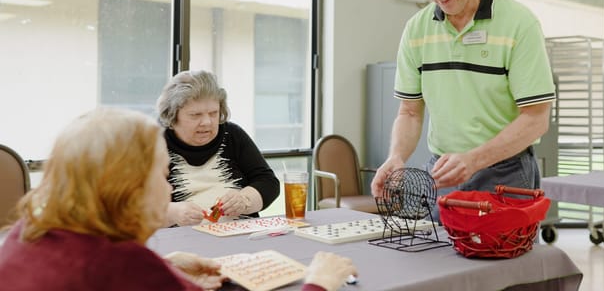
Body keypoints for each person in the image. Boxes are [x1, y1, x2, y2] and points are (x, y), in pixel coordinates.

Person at [0, 107, 356, 291]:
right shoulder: (125, 264)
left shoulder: (25, 234)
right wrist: (319, 283)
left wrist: (165, 266)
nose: (169, 187)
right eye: (161, 175)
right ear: (126, 187)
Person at [370, 0, 556, 222]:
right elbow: (409, 113)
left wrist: (474, 160)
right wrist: (396, 156)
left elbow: (536, 119)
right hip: (444, 174)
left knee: (504, 269)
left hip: (506, 175)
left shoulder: (520, 24)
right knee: (442, 264)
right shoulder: (416, 30)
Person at [157, 70, 280, 226]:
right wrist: (172, 213)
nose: (207, 122)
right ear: (172, 116)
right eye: (195, 115)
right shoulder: (155, 144)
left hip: (243, 234)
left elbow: (268, 182)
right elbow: (132, 206)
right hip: (183, 239)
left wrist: (244, 200)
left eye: (213, 113)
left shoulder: (232, 134)